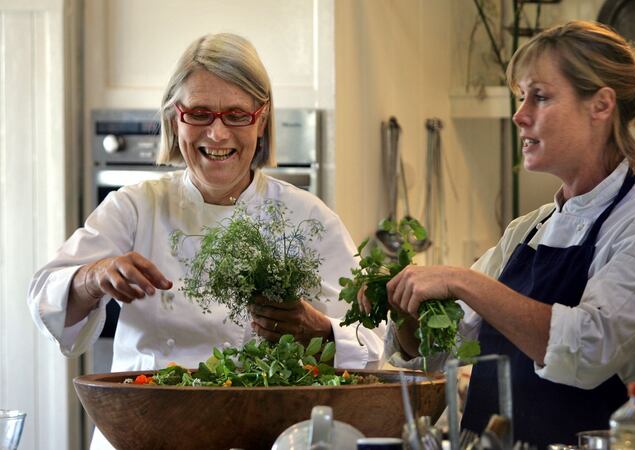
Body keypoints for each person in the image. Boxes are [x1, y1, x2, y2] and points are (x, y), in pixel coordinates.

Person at [27, 33, 384, 449]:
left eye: (237, 115)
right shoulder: (135, 207)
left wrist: (318, 330)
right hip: (144, 436)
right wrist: (93, 277)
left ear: (261, 120)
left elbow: (373, 344)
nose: (216, 134)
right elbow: (44, 299)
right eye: (199, 113)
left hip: (261, 438)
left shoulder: (308, 218)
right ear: (174, 119)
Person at [383, 21, 635, 447]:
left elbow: (587, 349)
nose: (519, 115)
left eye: (539, 97)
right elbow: (440, 350)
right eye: (521, 96)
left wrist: (463, 280)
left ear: (601, 106)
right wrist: (403, 309)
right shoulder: (527, 230)